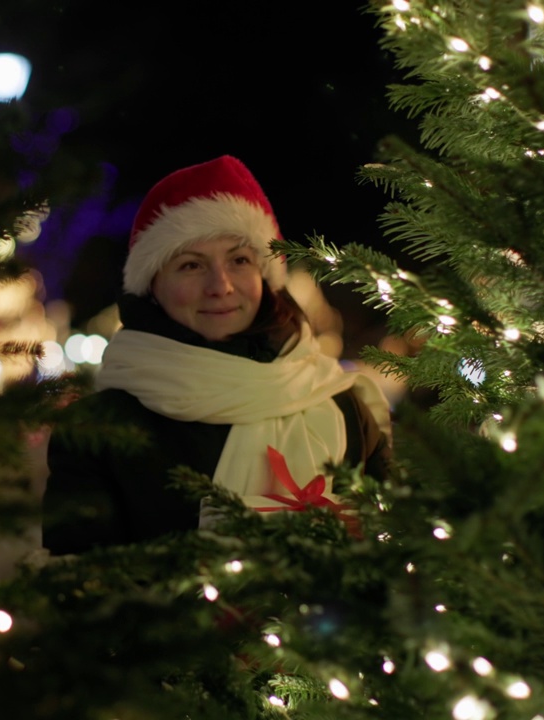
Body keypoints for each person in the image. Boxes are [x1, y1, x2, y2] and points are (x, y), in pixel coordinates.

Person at [42, 155, 392, 556]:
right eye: (191, 265)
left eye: (239, 260)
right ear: (151, 285)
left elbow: (389, 567)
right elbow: (79, 592)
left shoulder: (342, 406)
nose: (220, 286)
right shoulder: (96, 430)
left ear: (265, 273)